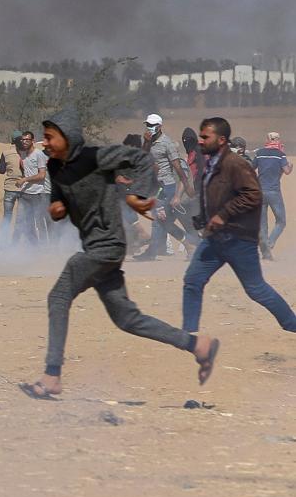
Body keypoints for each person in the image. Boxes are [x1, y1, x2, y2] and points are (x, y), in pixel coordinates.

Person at [19, 108, 219, 400]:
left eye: (50, 137)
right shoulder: (54, 169)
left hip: (108, 245)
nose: (44, 143)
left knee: (58, 296)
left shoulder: (94, 157)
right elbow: (59, 199)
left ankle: (52, 375)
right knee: (128, 319)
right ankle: (197, 345)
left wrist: (137, 194)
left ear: (68, 137)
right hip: (95, 248)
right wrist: (58, 207)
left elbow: (139, 158)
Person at [181, 117, 296, 334]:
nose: (202, 140)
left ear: (222, 139)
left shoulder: (236, 164)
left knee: (256, 289)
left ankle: (292, 324)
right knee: (192, 281)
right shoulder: (211, 164)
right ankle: (188, 336)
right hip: (215, 239)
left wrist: (224, 215)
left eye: (207, 136)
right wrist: (204, 219)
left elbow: (253, 194)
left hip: (239, 240)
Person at [136, 114, 196, 261]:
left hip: (166, 187)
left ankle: (153, 252)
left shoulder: (167, 143)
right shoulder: (148, 141)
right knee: (163, 221)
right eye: (147, 125)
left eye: (152, 125)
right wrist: (146, 142)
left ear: (160, 126)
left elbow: (177, 166)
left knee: (159, 221)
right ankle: (188, 245)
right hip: (155, 187)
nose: (149, 128)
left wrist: (185, 187)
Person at [254, 131, 291, 260]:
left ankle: (265, 253)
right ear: (278, 140)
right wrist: (290, 166)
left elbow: (251, 168)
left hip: (259, 191)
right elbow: (286, 171)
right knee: (281, 221)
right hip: (274, 191)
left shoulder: (259, 153)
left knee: (263, 224)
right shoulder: (280, 155)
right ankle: (269, 243)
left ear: (267, 139)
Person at [16, 130, 50, 244]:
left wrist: (25, 179)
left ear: (33, 141)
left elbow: (42, 175)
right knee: (27, 222)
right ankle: (34, 247)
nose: (24, 142)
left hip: (37, 193)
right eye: (23, 140)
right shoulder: (23, 155)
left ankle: (45, 246)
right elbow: (25, 170)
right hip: (25, 193)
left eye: (27, 140)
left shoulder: (39, 154)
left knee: (39, 221)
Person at [0, 131, 24, 243]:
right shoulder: (26, 152)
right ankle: (15, 242)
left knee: (7, 217)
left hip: (9, 188)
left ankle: (3, 242)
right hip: (23, 188)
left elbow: (1, 170)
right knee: (20, 217)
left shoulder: (5, 153)